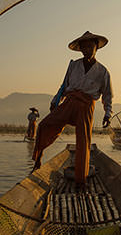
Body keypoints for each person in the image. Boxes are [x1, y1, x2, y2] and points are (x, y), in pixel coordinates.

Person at [32, 31, 112, 191]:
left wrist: (107, 113)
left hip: (86, 106)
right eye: (84, 47)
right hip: (70, 101)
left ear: (96, 48)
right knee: (44, 125)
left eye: (90, 46)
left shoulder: (103, 71)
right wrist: (56, 100)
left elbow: (107, 94)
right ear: (80, 49)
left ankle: (81, 181)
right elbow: (64, 85)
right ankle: (38, 159)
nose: (87, 49)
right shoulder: (73, 65)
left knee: (83, 141)